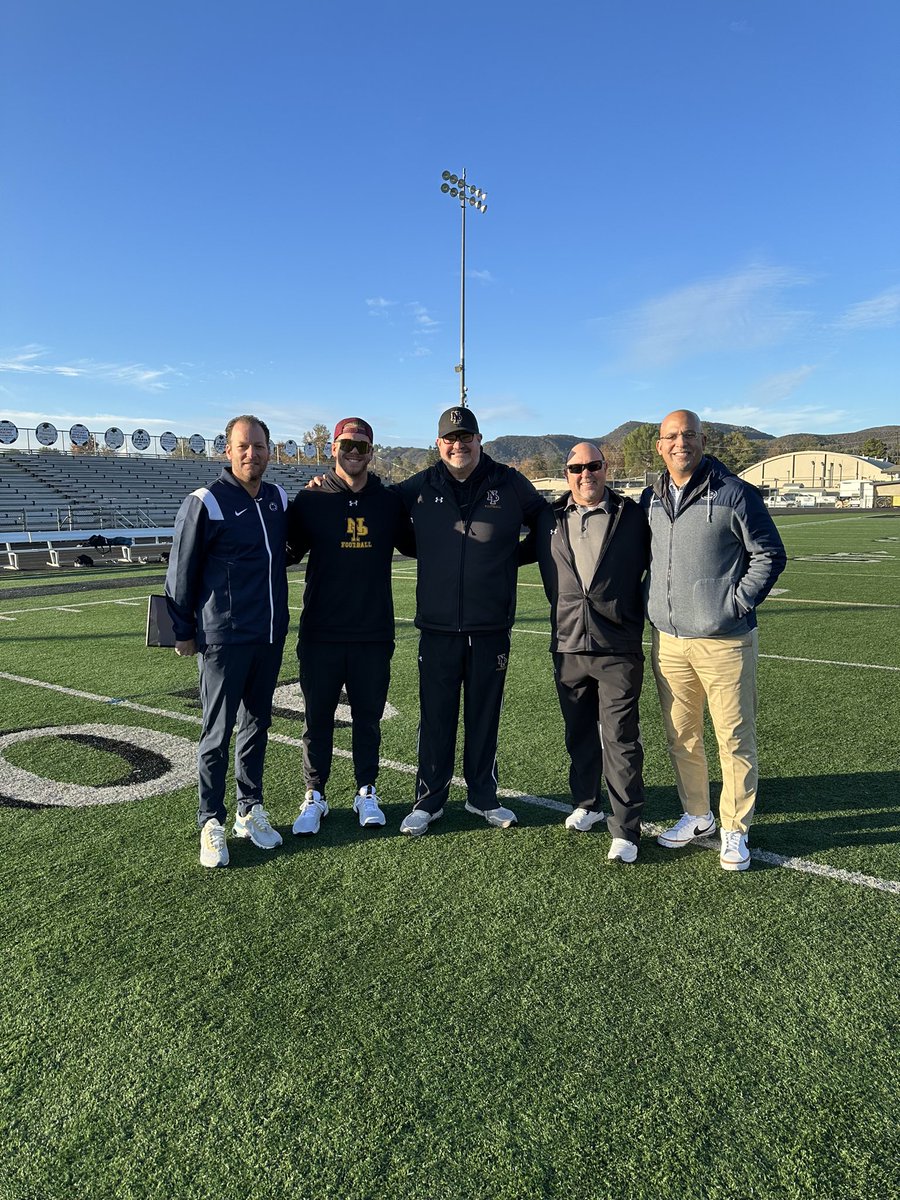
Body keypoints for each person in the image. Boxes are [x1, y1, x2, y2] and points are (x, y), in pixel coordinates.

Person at [642, 409, 786, 871]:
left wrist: (734, 605)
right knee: (682, 736)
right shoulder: (650, 498)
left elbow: (769, 554)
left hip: (724, 640)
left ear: (702, 441)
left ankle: (734, 829)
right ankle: (697, 815)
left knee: (733, 738)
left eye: (688, 435)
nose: (680, 442)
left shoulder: (735, 493)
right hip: (668, 639)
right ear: (660, 446)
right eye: (671, 436)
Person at [393, 406, 546, 836]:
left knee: (484, 715)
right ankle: (429, 800)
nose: (458, 445)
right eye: (449, 439)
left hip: (490, 625)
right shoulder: (421, 484)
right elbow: (384, 510)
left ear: (480, 440)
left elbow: (545, 520)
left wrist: (510, 557)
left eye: (466, 437)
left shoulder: (508, 481)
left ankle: (483, 796)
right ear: (438, 443)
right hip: (437, 628)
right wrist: (422, 547)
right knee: (436, 717)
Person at [165, 414, 289, 868]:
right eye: (243, 446)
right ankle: (209, 820)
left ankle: (249, 809)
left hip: (270, 633)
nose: (251, 454)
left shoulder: (277, 497)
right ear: (227, 450)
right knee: (217, 732)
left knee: (258, 725)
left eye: (259, 446)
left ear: (269, 451)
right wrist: (182, 630)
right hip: (223, 637)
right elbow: (181, 571)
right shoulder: (206, 501)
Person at [521, 443, 650, 862]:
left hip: (617, 645)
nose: (585, 474)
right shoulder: (550, 517)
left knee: (619, 737)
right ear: (566, 473)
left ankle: (626, 828)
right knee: (578, 733)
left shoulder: (633, 516)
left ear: (604, 468)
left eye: (592, 465)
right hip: (567, 643)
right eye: (576, 468)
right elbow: (503, 550)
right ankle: (587, 803)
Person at [286, 417, 415, 835]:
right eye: (347, 445)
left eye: (362, 447)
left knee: (368, 719)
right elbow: (283, 551)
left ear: (371, 452)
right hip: (321, 631)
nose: (354, 453)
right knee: (317, 719)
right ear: (332, 449)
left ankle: (366, 791)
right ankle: (315, 795)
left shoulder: (388, 501)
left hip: (373, 633)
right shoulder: (311, 499)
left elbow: (421, 544)